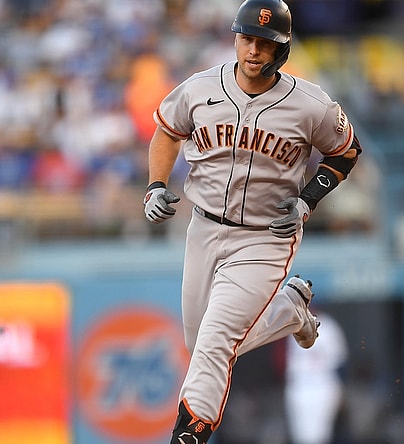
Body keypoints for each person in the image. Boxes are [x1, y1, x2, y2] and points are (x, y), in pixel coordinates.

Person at [141, 1, 363, 442]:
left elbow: (347, 151)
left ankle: (191, 432)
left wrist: (308, 199)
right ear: (235, 37)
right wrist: (154, 185)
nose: (254, 50)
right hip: (203, 227)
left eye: (265, 43)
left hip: (266, 237)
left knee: (217, 337)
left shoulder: (310, 104)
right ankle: (289, 310)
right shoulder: (201, 87)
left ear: (282, 49)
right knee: (200, 343)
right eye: (247, 39)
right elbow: (167, 131)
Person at [284, 311, 349, 444]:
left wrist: (341, 390)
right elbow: (282, 364)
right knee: (301, 436)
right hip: (299, 386)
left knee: (320, 435)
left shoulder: (329, 327)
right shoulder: (293, 326)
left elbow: (340, 363)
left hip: (322, 385)